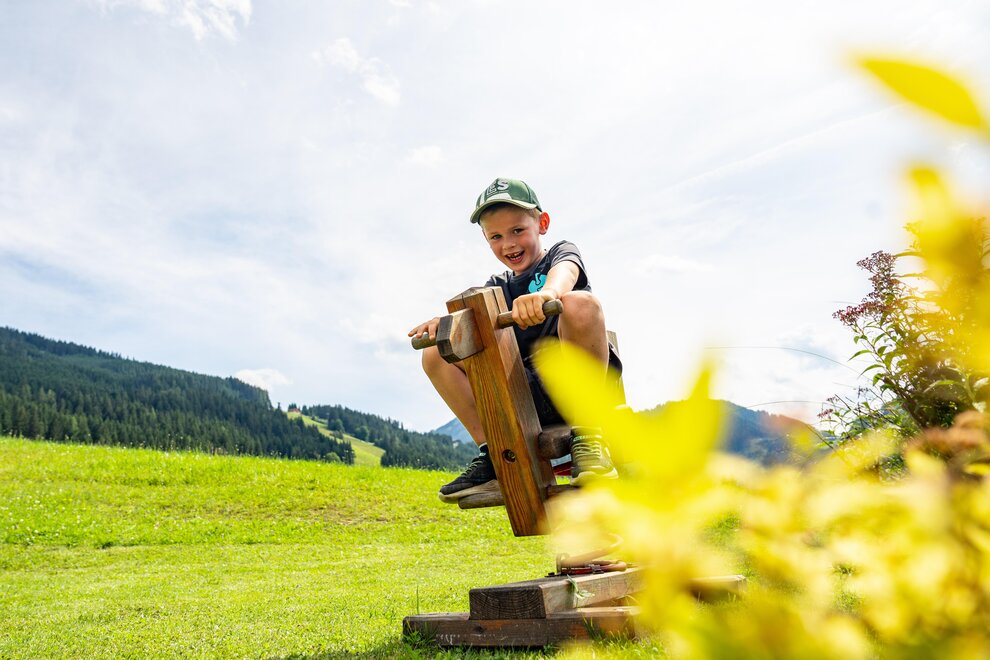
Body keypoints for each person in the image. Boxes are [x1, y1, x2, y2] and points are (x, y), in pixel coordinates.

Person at [408, 177, 621, 503]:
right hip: (526, 399)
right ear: (486, 240)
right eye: (496, 236)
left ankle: (589, 436)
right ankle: (493, 452)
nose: (508, 244)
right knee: (437, 354)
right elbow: (470, 318)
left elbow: (566, 273)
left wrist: (548, 293)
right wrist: (446, 325)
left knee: (580, 304)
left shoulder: (560, 255)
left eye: (518, 230)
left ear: (542, 224)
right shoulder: (497, 287)